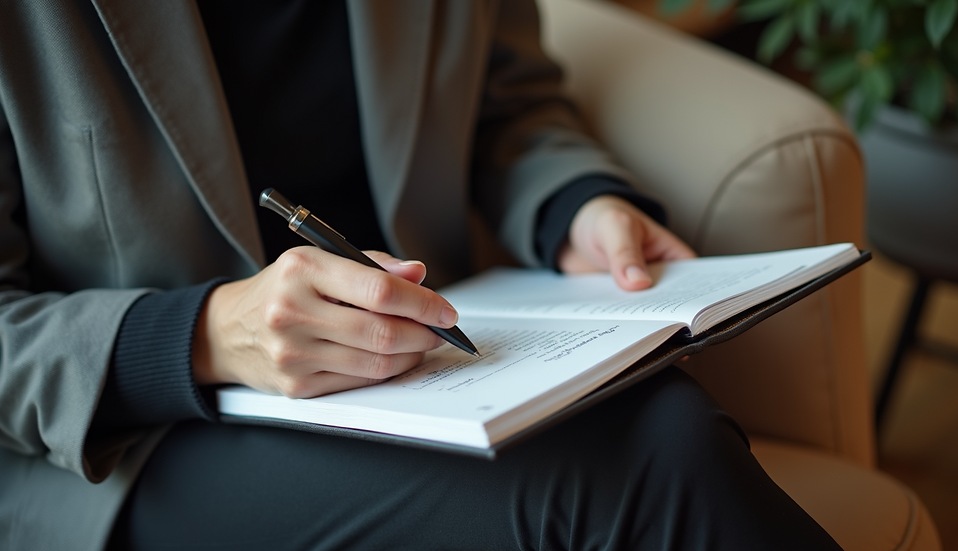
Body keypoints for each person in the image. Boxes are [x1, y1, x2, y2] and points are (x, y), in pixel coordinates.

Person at [0, 1, 844, 549]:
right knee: (631, 479)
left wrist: (572, 206)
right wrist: (204, 336)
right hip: (135, 445)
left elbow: (508, 100)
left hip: (432, 359)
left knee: (670, 427)